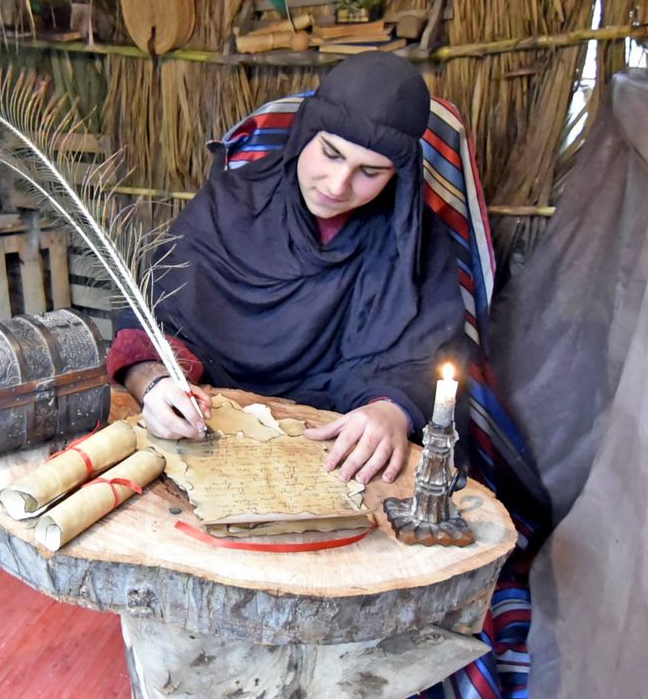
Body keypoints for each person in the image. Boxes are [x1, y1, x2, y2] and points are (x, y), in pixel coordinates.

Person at [107, 52, 466, 485]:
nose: (338, 186)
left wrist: (391, 409)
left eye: (370, 172)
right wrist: (156, 385)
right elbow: (152, 322)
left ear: (399, 176)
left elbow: (425, 359)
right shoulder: (230, 206)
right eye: (331, 153)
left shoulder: (416, 248)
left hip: (334, 453)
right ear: (304, 134)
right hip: (206, 429)